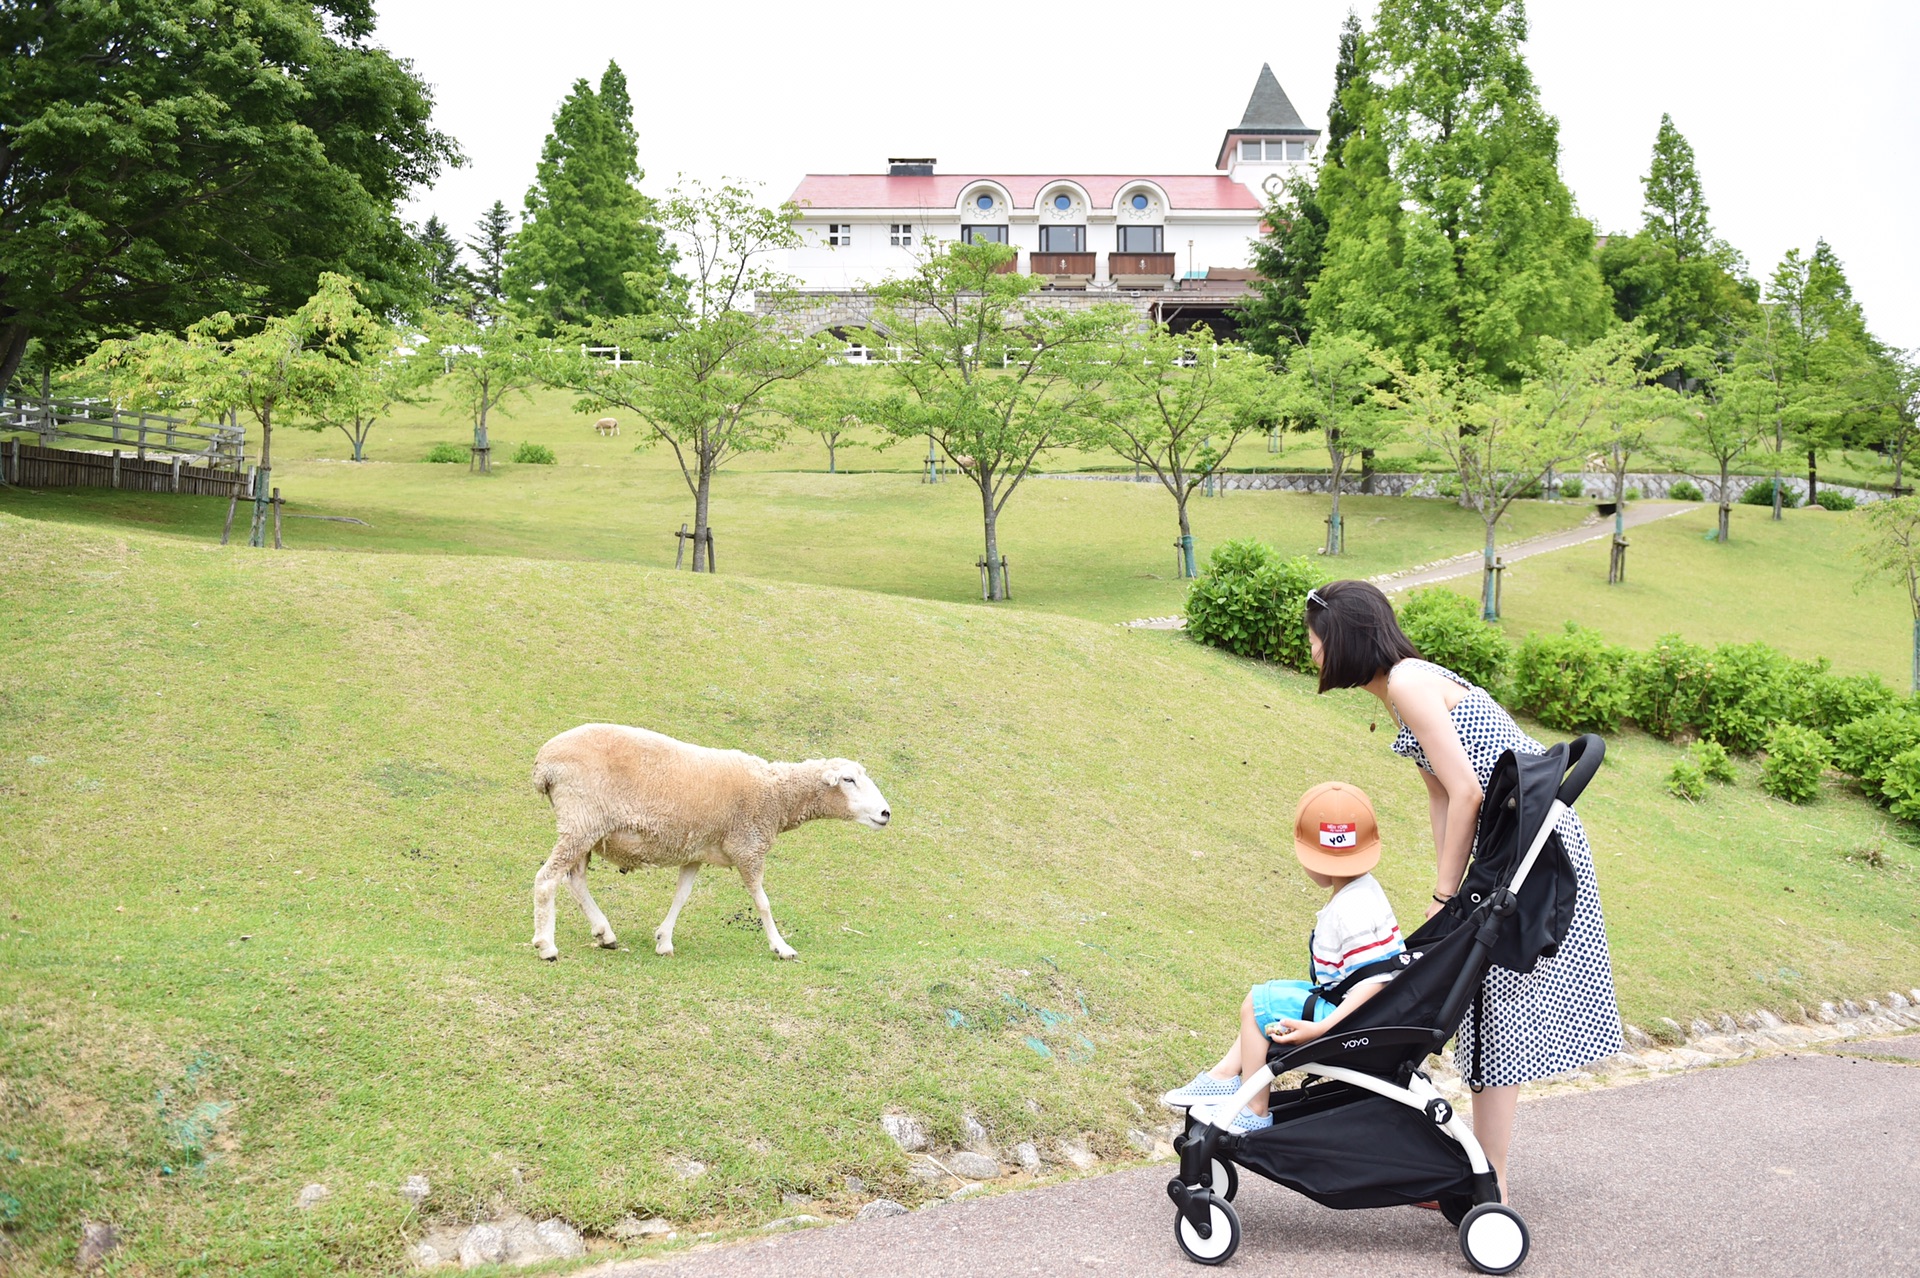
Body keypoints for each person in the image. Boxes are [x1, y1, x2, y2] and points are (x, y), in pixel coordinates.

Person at [1303, 579, 1624, 1198]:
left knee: (1495, 1013)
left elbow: (1470, 792)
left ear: (1340, 639)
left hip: (1531, 848)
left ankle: (1489, 1183)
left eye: (1315, 639)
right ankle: (1468, 1170)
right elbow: (1443, 793)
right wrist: (1451, 889)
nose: (1311, 652)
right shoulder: (1404, 690)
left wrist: (1448, 892)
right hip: (1509, 846)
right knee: (1477, 1008)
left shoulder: (1406, 684)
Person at [1160, 781, 1406, 1132]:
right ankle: (1225, 1075)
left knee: (1259, 1002)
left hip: (1352, 1023)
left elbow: (1375, 982)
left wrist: (1321, 1027)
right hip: (1358, 1011)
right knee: (1263, 1001)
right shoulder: (1363, 889)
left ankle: (1254, 1110)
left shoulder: (1350, 910)